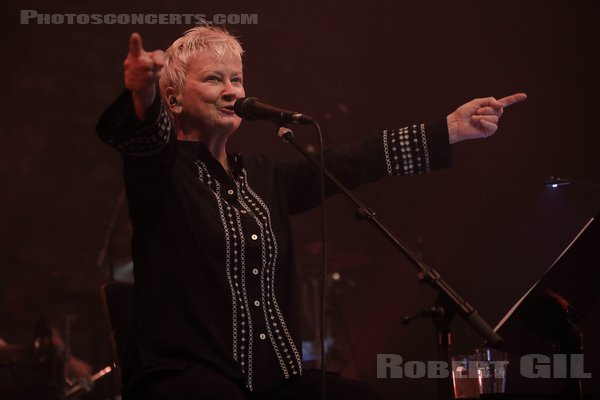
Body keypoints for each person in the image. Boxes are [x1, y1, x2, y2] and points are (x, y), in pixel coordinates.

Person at [96, 25, 526, 400]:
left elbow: (350, 163)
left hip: (272, 380)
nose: (232, 90)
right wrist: (143, 93)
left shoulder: (264, 178)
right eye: (214, 79)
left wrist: (447, 131)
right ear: (173, 99)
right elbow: (145, 143)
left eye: (237, 79)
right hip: (186, 377)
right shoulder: (162, 173)